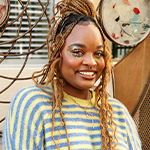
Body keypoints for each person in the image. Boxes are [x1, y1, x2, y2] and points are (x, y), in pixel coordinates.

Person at [2, 0, 141, 149]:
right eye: (77, 52)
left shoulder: (118, 112)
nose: (91, 62)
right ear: (57, 52)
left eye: (98, 53)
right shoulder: (32, 105)